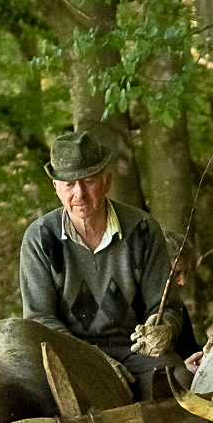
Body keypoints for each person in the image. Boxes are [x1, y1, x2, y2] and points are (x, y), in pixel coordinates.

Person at [19, 130, 196, 396]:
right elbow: (39, 319)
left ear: (107, 180)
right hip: (71, 357)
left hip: (135, 353)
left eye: (89, 181)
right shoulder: (40, 238)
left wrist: (164, 330)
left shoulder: (143, 229)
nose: (79, 193)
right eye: (69, 184)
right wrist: (94, 361)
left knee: (178, 380)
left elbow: (167, 306)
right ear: (56, 187)